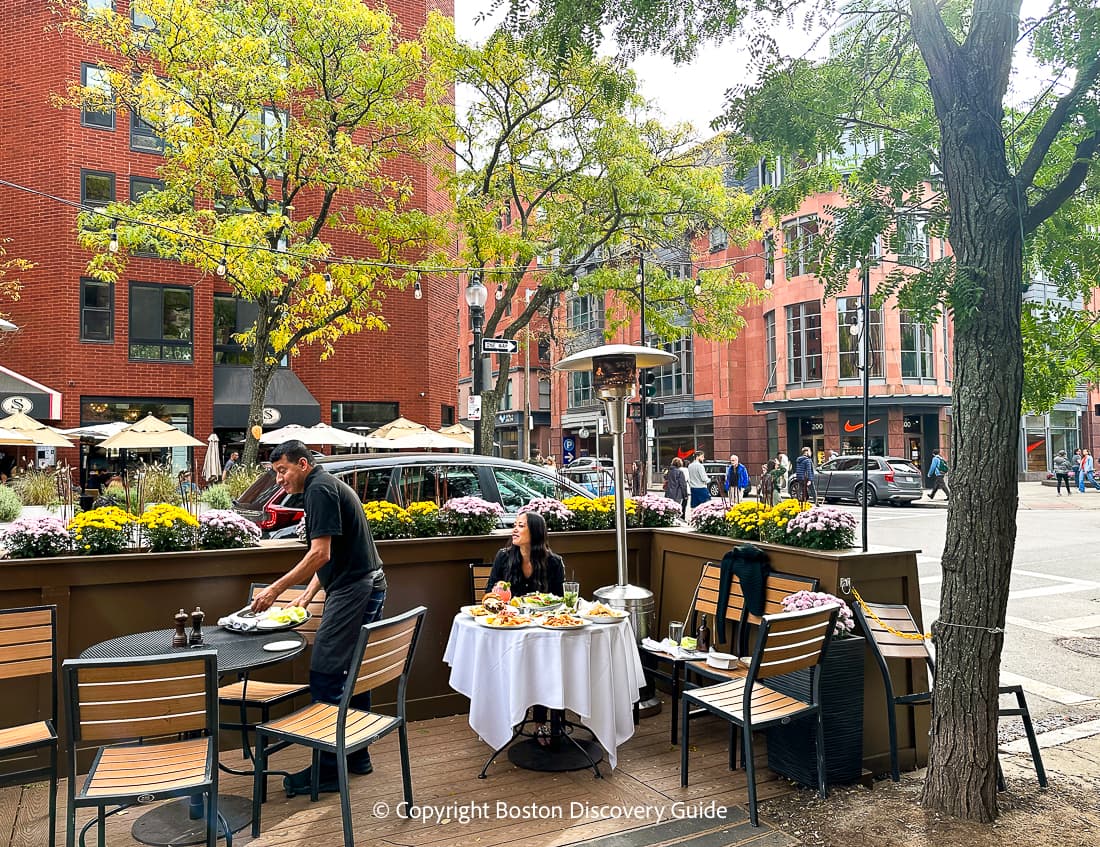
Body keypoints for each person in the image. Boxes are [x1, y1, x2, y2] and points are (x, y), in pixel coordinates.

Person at [250, 440, 387, 796]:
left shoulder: (319, 490)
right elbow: (331, 553)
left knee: (326, 672)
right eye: (275, 472)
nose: (279, 479)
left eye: (283, 470)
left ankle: (327, 771)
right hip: (363, 584)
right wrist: (308, 596)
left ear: (303, 464)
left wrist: (275, 590)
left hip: (356, 588)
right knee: (352, 672)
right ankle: (356, 755)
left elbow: (320, 553)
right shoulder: (324, 486)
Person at [486, 511, 565, 744]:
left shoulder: (553, 562)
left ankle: (542, 724)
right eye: (515, 525)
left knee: (544, 668)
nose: (515, 529)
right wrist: (498, 593)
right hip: (511, 631)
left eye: (521, 526)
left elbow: (559, 601)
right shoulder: (504, 557)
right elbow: (490, 594)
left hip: (544, 632)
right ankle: (503, 722)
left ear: (536, 532)